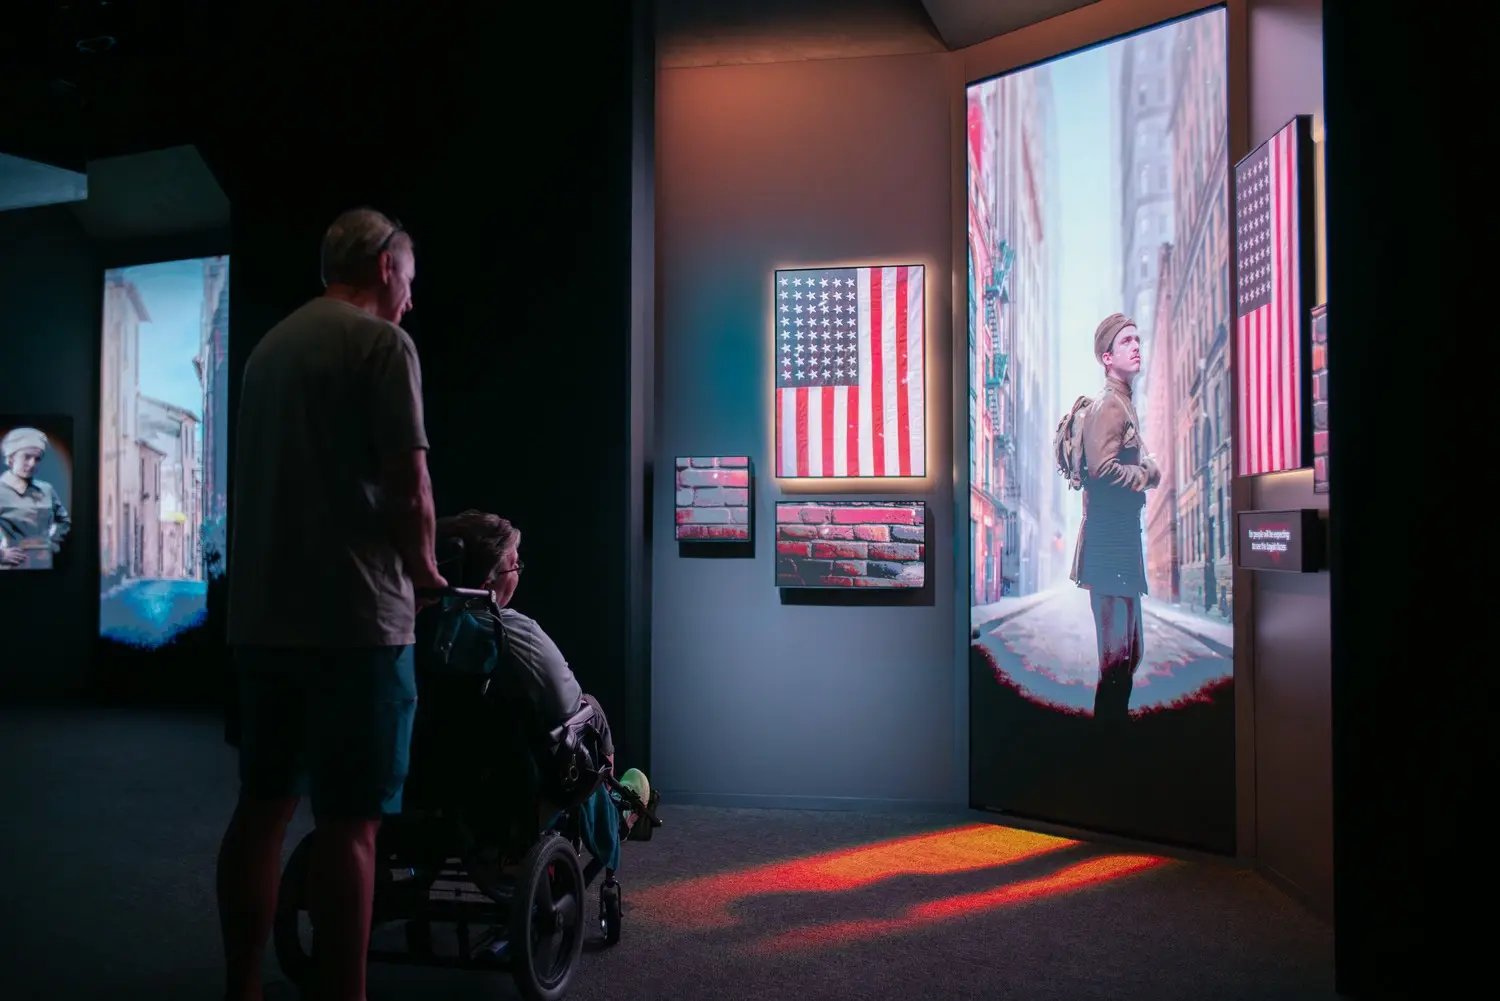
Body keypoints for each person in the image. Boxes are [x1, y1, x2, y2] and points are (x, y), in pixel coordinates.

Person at [217, 207, 446, 1001]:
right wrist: (424, 570)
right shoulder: (383, 344)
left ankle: (241, 987)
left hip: (261, 620)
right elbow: (408, 482)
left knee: (263, 807)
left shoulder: (267, 351)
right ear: (386, 266)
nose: (411, 300)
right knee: (351, 827)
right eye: (409, 281)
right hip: (357, 625)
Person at [430, 509, 647, 871]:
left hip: (437, 778)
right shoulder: (514, 631)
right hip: (508, 785)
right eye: (513, 565)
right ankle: (614, 812)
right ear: (488, 580)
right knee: (588, 711)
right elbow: (567, 701)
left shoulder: (423, 626)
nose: (518, 573)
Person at [1070, 313, 1160, 724]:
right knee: (1115, 662)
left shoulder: (1123, 402)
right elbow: (1100, 469)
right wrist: (1146, 475)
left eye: (1137, 339)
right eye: (1126, 342)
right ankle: (1106, 751)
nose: (1136, 346)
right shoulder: (1109, 405)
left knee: (1130, 656)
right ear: (1107, 357)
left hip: (1123, 542)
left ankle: (1112, 741)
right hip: (1108, 544)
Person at [0, 426, 71, 570]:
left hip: (43, 566)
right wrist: (1, 555)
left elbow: (64, 521)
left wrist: (52, 543)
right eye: (27, 457)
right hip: (10, 569)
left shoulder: (47, 490)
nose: (32, 463)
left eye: (37, 459)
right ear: (12, 458)